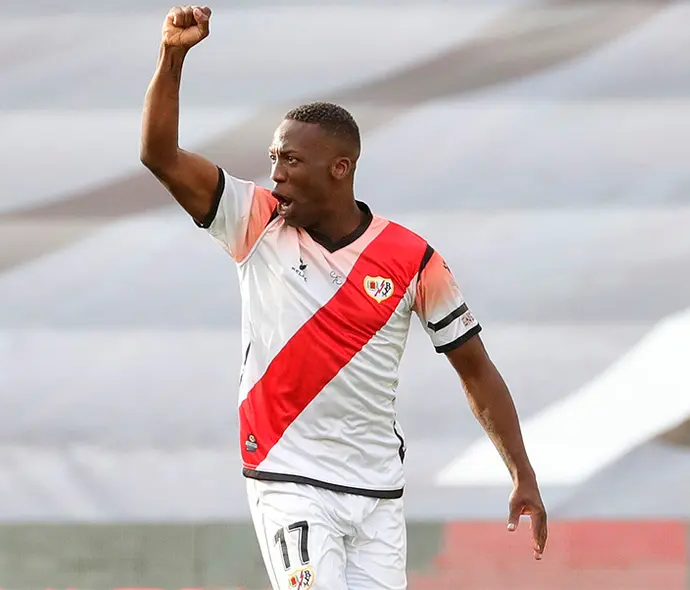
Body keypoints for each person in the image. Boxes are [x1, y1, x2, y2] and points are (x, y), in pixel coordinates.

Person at [140, 6, 547, 589]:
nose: (276, 173)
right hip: (288, 478)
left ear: (340, 168)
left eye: (292, 160)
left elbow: (476, 369)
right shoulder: (255, 222)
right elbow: (160, 156)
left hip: (376, 491)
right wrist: (172, 56)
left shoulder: (412, 259)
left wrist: (522, 473)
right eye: (274, 158)